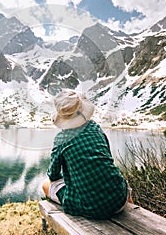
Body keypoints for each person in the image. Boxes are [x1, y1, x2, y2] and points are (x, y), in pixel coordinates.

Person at [42, 89, 132, 219]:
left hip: (90, 208)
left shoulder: (61, 140)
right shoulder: (94, 127)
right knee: (116, 180)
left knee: (46, 184)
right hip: (119, 198)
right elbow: (106, 156)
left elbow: (53, 174)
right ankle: (132, 212)